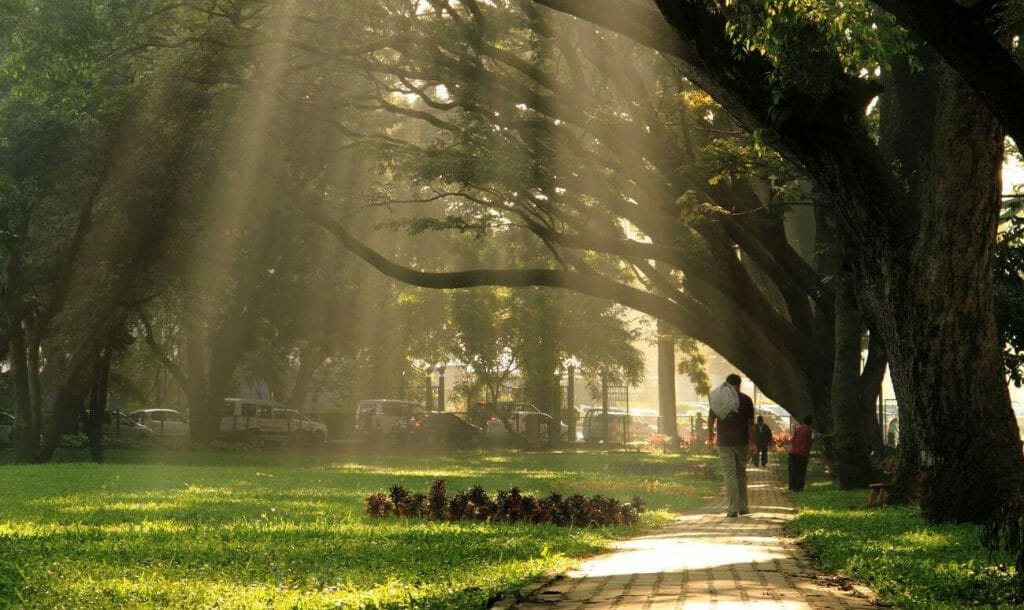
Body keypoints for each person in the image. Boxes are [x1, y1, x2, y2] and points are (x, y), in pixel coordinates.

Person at [708, 374, 755, 517]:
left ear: (727, 384)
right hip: (742, 442)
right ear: (739, 385)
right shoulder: (746, 400)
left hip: (724, 442)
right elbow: (750, 424)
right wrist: (752, 442)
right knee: (741, 472)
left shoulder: (719, 399)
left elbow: (711, 419)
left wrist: (710, 435)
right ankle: (743, 506)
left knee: (730, 473)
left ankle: (733, 508)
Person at [787, 415, 833, 492]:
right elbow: (821, 436)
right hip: (802, 454)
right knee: (801, 471)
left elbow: (793, 440)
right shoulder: (810, 431)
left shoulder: (797, 429)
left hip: (793, 453)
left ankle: (792, 487)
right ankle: (798, 488)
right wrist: (832, 435)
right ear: (811, 423)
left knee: (793, 471)